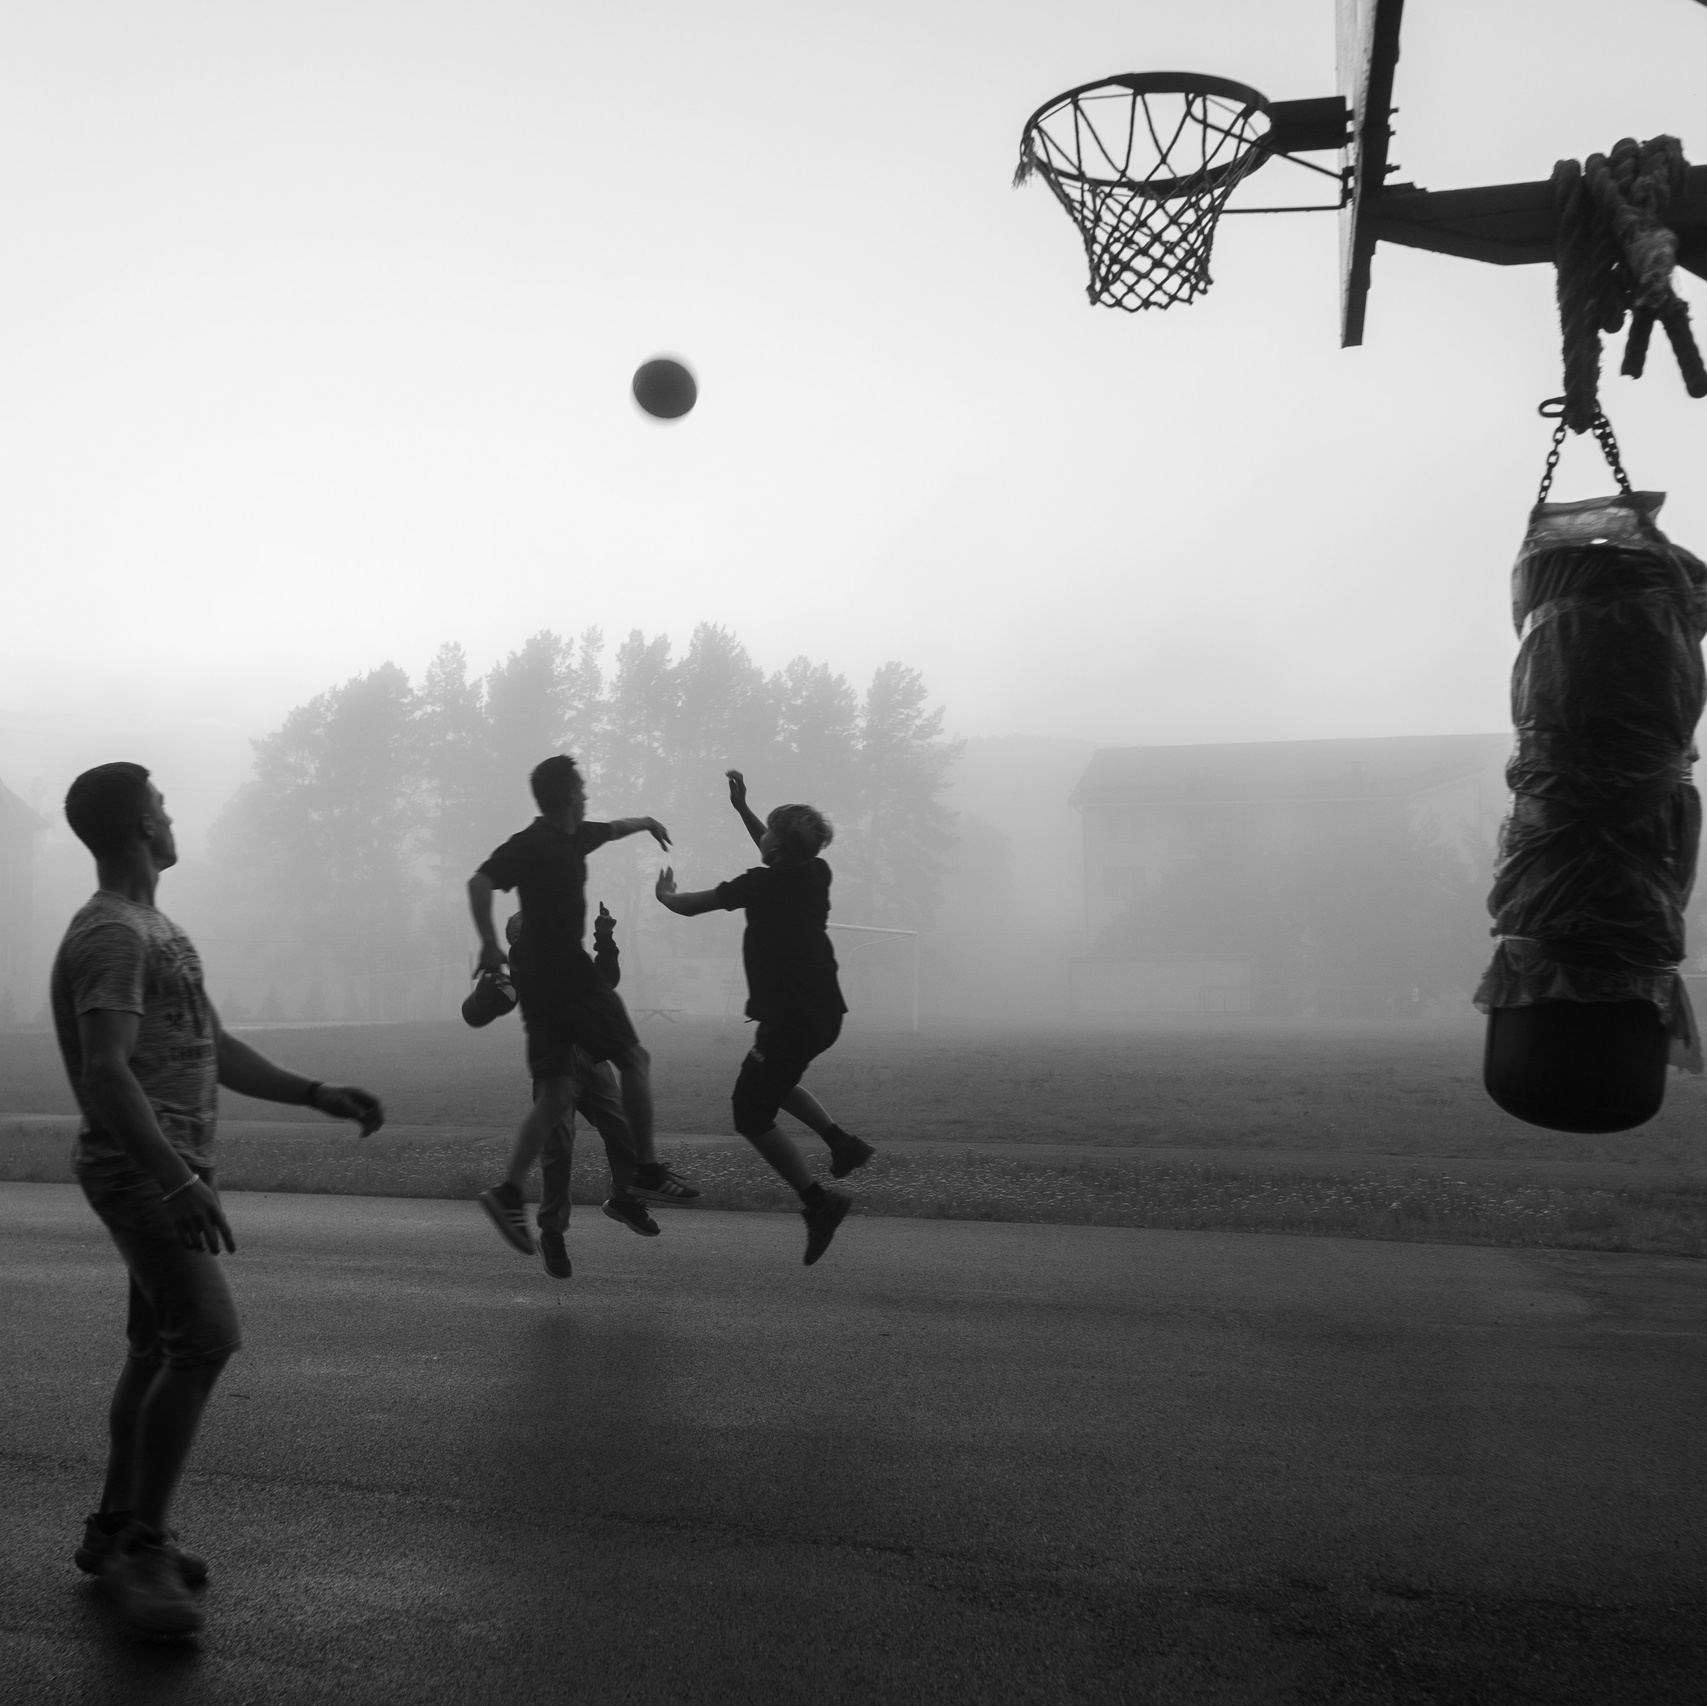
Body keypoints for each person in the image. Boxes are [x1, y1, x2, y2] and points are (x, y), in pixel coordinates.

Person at [52, 763, 384, 1638]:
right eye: (160, 806)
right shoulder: (114, 935)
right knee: (205, 1338)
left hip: (166, 1166)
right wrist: (177, 1179)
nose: (171, 817)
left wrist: (316, 1091)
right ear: (135, 828)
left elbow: (214, 1043)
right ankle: (143, 1550)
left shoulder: (154, 928)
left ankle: (114, 1527)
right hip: (144, 1170)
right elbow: (104, 1068)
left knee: (156, 1349)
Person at [470, 755, 696, 1255]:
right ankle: (648, 1173)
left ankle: (508, 1192)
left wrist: (646, 823)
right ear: (571, 795)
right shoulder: (532, 844)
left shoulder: (574, 835)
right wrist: (490, 944)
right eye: (583, 788)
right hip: (571, 981)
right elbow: (479, 882)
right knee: (635, 1059)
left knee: (553, 1101)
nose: (588, 794)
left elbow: (613, 828)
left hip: (548, 1000)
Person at [654, 769, 872, 1265]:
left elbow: (691, 906)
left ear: (775, 849)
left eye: (768, 832)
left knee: (750, 1112)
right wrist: (743, 810)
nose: (763, 837)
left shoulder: (761, 885)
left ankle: (820, 1203)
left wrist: (666, 897)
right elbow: (778, 851)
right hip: (822, 1015)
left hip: (792, 1019)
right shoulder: (815, 873)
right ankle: (843, 1145)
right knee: (773, 1081)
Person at [510, 902, 661, 1278]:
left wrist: (604, 939)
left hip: (593, 1057)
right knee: (558, 1147)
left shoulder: (564, 951)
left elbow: (604, 979)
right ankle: (552, 1232)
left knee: (623, 1128)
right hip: (555, 1064)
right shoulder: (524, 960)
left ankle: (625, 1200)